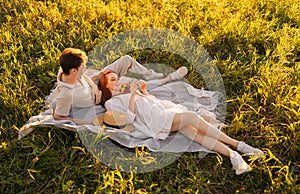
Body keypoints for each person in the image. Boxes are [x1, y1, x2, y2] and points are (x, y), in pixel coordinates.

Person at [98, 70, 264, 175]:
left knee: (195, 134)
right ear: (106, 87)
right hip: (158, 121)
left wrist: (144, 91)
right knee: (192, 117)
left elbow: (151, 103)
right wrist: (133, 95)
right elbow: (128, 119)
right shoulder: (111, 103)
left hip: (166, 111)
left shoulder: (130, 92)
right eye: (113, 80)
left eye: (117, 77)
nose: (118, 80)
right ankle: (239, 144)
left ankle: (233, 155)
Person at [52, 48, 187, 125]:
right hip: (102, 96)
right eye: (83, 68)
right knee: (135, 88)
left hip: (96, 81)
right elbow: (58, 116)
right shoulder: (66, 95)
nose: (85, 69)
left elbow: (84, 75)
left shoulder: (65, 69)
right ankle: (169, 78)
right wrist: (85, 122)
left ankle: (151, 74)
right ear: (74, 71)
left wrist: (92, 84)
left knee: (126, 60)